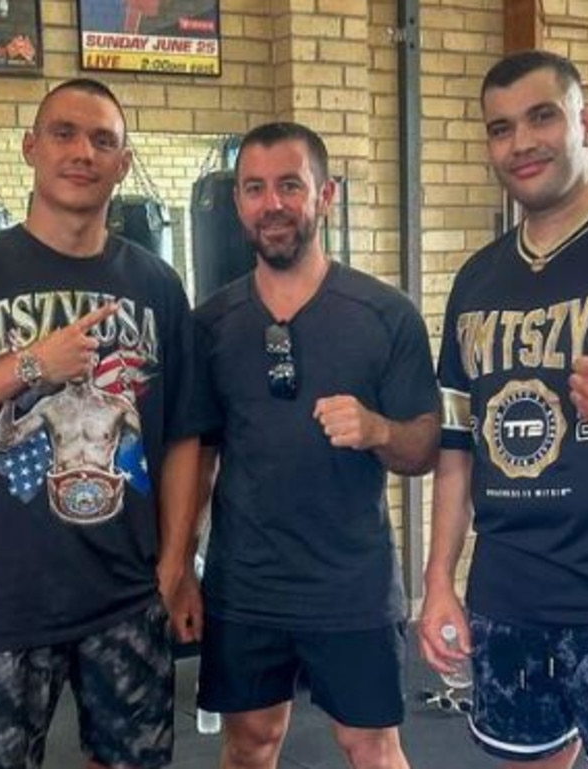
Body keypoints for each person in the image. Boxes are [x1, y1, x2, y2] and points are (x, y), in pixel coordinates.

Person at [0, 78, 202, 769]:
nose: (82, 152)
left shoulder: (156, 286)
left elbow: (181, 434)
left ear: (123, 161)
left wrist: (175, 561)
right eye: (63, 133)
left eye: (102, 140)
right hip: (7, 599)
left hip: (125, 594)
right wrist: (29, 365)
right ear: (31, 147)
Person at [419, 49, 588, 769]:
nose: (521, 143)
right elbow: (456, 444)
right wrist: (438, 580)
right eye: (500, 128)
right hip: (510, 594)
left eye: (542, 117)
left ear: (587, 123)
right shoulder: (478, 280)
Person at [193, 122, 440, 769]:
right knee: (250, 742)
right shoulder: (212, 324)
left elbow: (423, 448)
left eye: (289, 186)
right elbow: (198, 456)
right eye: (254, 188)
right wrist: (177, 568)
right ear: (238, 202)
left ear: (325, 194)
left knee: (371, 746)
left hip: (350, 583)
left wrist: (379, 428)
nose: (272, 204)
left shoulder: (385, 315)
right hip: (245, 583)